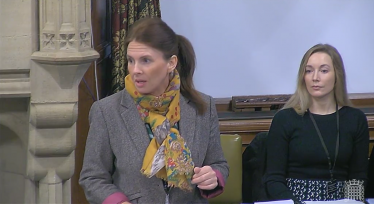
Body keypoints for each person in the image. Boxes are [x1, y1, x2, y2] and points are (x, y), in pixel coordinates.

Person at [79, 17, 229, 204]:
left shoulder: (202, 107)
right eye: (131, 61)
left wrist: (213, 176)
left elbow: (219, 164)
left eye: (146, 61)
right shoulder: (107, 111)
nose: (135, 70)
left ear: (171, 63)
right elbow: (92, 178)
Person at [264, 44, 369, 203]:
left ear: (337, 75)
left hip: (342, 200)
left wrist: (349, 202)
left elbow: (357, 178)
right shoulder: (285, 119)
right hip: (295, 199)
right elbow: (273, 179)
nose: (315, 77)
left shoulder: (355, 119)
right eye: (309, 70)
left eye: (324, 70)